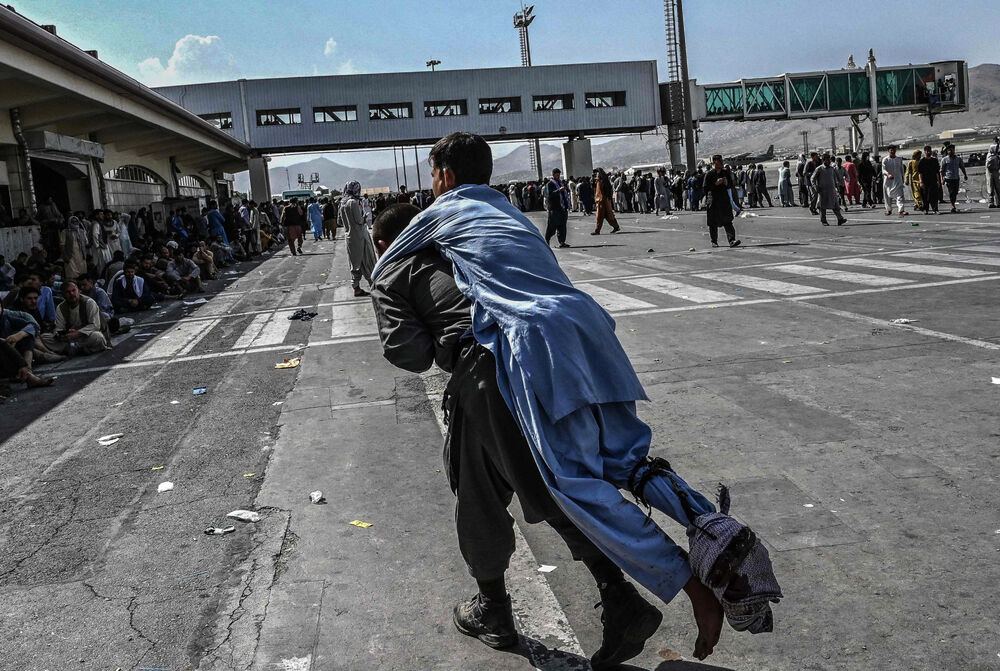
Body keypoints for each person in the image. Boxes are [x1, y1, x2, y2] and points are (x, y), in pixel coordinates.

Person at [371, 132, 771, 665]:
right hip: (589, 333)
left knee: (564, 486)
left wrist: (391, 288)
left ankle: (685, 587)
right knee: (624, 463)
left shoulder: (426, 230)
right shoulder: (499, 216)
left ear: (442, 177)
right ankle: (704, 529)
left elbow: (410, 353)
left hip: (516, 358)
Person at [370, 201, 663, 667]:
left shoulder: (392, 267)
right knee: (509, 482)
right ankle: (512, 605)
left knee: (533, 490)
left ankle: (609, 598)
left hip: (486, 375)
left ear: (382, 243)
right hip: (542, 357)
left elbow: (409, 354)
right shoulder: (463, 242)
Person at [40, 282, 108, 356]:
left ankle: (74, 348)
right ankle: (77, 348)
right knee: (44, 337)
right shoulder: (61, 307)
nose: (72, 294)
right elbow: (59, 327)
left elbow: (95, 325)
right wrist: (60, 335)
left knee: (98, 337)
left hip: (85, 336)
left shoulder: (89, 302)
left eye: (73, 290)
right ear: (63, 295)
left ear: (78, 291)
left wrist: (78, 333)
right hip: (69, 339)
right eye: (68, 292)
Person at [0, 302, 54, 389]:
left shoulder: (4, 317)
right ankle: (28, 374)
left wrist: (19, 335)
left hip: (11, 356)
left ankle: (28, 371)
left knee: (26, 334)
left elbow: (33, 325)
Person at [338, 181, 377, 297]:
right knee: (368, 260)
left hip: (349, 238)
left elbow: (339, 222)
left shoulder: (342, 203)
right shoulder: (353, 202)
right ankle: (374, 285)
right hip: (360, 236)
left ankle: (356, 287)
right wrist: (364, 217)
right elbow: (359, 221)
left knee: (354, 262)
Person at [703, 155, 741, 248]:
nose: (721, 163)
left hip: (724, 200)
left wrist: (726, 183)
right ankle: (714, 241)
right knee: (713, 223)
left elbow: (730, 185)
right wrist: (715, 184)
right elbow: (705, 188)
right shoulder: (709, 174)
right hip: (713, 201)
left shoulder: (725, 172)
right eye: (719, 161)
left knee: (728, 221)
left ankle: (732, 240)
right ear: (715, 162)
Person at [811, 154, 848, 226]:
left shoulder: (832, 169)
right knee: (822, 207)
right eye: (827, 160)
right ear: (823, 160)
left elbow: (834, 179)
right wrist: (816, 187)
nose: (828, 161)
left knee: (835, 205)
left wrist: (837, 187)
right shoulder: (819, 169)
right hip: (823, 191)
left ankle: (840, 219)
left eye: (829, 160)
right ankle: (823, 220)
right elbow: (812, 178)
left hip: (832, 190)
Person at [544, 168, 571, 248]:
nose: (558, 176)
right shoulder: (550, 184)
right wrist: (559, 190)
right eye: (556, 175)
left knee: (562, 226)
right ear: (553, 175)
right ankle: (547, 240)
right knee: (552, 226)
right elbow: (550, 195)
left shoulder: (560, 183)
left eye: (559, 175)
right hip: (554, 209)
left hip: (562, 208)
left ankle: (562, 242)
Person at [940, 145, 968, 213]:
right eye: (949, 150)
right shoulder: (944, 159)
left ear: (954, 150)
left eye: (952, 150)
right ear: (947, 151)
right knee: (951, 192)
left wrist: (965, 175)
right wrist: (942, 178)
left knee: (955, 192)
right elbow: (942, 170)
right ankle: (952, 205)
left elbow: (962, 167)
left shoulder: (958, 159)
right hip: (949, 178)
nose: (950, 151)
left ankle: (953, 204)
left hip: (956, 178)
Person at [591, 168, 620, 235]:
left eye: (597, 174)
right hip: (601, 201)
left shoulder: (603, 182)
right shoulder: (599, 181)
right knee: (608, 216)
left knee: (599, 216)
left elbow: (606, 191)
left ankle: (597, 230)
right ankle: (616, 226)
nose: (596, 175)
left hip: (602, 201)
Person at [882, 146, 908, 217]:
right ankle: (889, 210)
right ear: (888, 151)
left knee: (900, 195)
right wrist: (888, 174)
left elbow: (902, 169)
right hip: (888, 181)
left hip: (898, 180)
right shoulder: (885, 160)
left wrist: (903, 178)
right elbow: (883, 170)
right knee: (887, 196)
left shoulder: (899, 159)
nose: (893, 151)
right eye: (891, 150)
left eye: (894, 150)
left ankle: (901, 210)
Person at [916, 146, 942, 215]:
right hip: (925, 181)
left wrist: (938, 181)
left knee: (934, 196)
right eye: (927, 151)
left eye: (929, 151)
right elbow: (920, 173)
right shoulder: (922, 161)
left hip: (933, 180)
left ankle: (935, 209)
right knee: (925, 196)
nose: (928, 152)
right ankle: (926, 209)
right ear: (924, 152)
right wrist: (921, 182)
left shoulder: (934, 160)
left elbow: (937, 172)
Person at [63, 215, 89, 281]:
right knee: (72, 274)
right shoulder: (65, 232)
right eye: (73, 222)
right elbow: (62, 245)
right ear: (69, 222)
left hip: (81, 255)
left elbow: (86, 242)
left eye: (76, 221)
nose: (75, 223)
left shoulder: (82, 231)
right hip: (70, 255)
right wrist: (65, 256)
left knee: (82, 274)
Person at [987, 139, 1000, 208]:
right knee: (991, 188)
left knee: (998, 188)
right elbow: (988, 165)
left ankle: (998, 202)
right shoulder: (991, 156)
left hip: (995, 172)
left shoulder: (996, 156)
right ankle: (991, 202)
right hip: (991, 173)